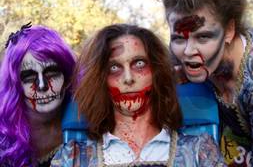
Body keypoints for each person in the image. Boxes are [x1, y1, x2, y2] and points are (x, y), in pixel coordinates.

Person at [50, 24, 225, 166]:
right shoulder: (72, 159)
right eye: (114, 67)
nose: (128, 78)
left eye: (139, 63)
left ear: (156, 72)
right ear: (101, 80)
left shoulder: (199, 152)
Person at [151, 0, 253, 166]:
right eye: (178, 38)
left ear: (229, 30)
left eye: (203, 37)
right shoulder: (185, 57)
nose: (188, 51)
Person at [0, 23, 76, 167]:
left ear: (67, 76)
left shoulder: (89, 127)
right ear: (15, 85)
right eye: (29, 77)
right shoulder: (3, 136)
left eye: (51, 73)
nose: (42, 85)